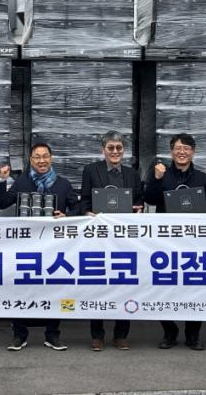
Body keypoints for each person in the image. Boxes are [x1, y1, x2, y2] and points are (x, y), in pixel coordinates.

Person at [0, 142, 78, 352]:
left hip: (54, 247)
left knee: (53, 289)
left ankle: (52, 334)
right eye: (37, 157)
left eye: (45, 156)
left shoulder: (62, 184)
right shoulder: (22, 182)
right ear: (31, 160)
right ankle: (19, 335)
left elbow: (78, 207)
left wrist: (67, 215)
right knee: (21, 288)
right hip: (26, 247)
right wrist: (2, 180)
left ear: (51, 158)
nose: (42, 160)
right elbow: (2, 203)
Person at [144, 133, 206, 351]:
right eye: (177, 148)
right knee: (163, 286)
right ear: (171, 151)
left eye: (186, 148)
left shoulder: (203, 178)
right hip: (166, 242)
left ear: (193, 152)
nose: (181, 152)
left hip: (194, 243)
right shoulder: (161, 173)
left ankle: (193, 334)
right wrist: (156, 179)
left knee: (196, 287)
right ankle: (169, 331)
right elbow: (149, 199)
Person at [80, 130, 142, 352]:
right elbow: (84, 200)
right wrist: (88, 213)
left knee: (124, 283)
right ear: (103, 150)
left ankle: (121, 335)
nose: (115, 152)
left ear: (124, 150)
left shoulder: (132, 174)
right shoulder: (91, 170)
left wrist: (138, 210)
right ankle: (97, 335)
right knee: (98, 284)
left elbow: (139, 200)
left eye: (119, 148)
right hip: (98, 237)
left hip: (124, 238)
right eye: (111, 148)